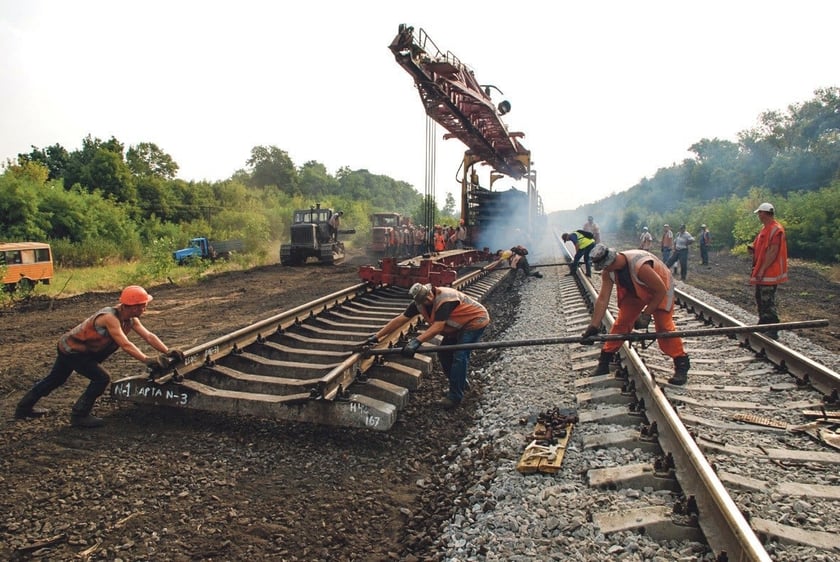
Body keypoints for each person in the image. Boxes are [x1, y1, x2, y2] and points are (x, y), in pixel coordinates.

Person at [14, 286, 184, 427]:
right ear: (128, 305)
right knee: (101, 378)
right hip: (74, 352)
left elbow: (148, 336)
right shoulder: (109, 318)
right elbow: (125, 344)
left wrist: (167, 351)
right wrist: (147, 359)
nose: (144, 308)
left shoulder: (130, 318)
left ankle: (23, 408)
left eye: (144, 305)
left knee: (56, 379)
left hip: (77, 351)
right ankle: (79, 415)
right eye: (140, 305)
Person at [361, 283, 490, 409]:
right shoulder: (418, 304)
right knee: (444, 354)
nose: (429, 299)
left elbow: (438, 327)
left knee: (460, 356)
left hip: (475, 320)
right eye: (424, 299)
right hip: (459, 326)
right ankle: (459, 384)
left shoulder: (445, 299)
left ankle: (454, 397)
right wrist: (377, 337)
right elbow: (401, 319)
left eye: (428, 295)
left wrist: (416, 341)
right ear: (419, 301)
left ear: (430, 290)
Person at [581, 244, 691, 385]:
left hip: (661, 288)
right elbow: (602, 299)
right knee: (622, 322)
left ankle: (681, 364)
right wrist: (593, 326)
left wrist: (646, 314)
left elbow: (660, 291)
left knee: (664, 327)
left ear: (609, 262)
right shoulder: (609, 272)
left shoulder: (640, 266)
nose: (603, 270)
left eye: (603, 266)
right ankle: (604, 362)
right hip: (636, 290)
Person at [749, 202, 788, 339]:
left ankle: (773, 326)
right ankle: (764, 322)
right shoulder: (765, 229)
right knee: (760, 298)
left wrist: (762, 270)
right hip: (763, 270)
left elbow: (772, 252)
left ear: (765, 213)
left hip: (770, 271)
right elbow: (761, 247)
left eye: (760, 213)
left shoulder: (775, 229)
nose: (758, 215)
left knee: (767, 300)